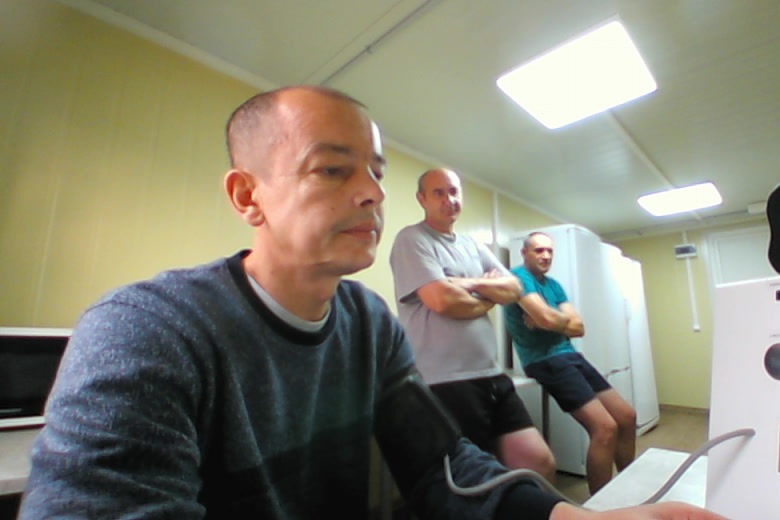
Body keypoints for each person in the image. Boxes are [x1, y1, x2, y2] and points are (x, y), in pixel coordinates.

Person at [19, 86, 729, 520]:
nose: (371, 192)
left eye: (376, 172)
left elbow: (439, 464)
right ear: (247, 196)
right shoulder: (147, 330)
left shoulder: (366, 322)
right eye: (333, 169)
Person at [390, 168, 556, 482]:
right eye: (438, 192)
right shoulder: (412, 239)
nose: (448, 199)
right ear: (422, 199)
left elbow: (515, 288)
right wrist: (489, 295)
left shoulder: (472, 244)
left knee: (538, 462)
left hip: (492, 374)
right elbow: (443, 301)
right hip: (446, 381)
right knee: (474, 478)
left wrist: (468, 283)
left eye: (454, 191)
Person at [505, 231, 638, 494]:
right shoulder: (518, 278)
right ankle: (600, 506)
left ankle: (628, 488)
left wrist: (547, 319)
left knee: (626, 416)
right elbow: (550, 319)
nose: (546, 255)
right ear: (524, 253)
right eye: (539, 250)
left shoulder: (553, 285)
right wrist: (552, 319)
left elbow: (578, 328)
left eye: (549, 251)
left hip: (570, 355)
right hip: (544, 360)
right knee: (605, 428)